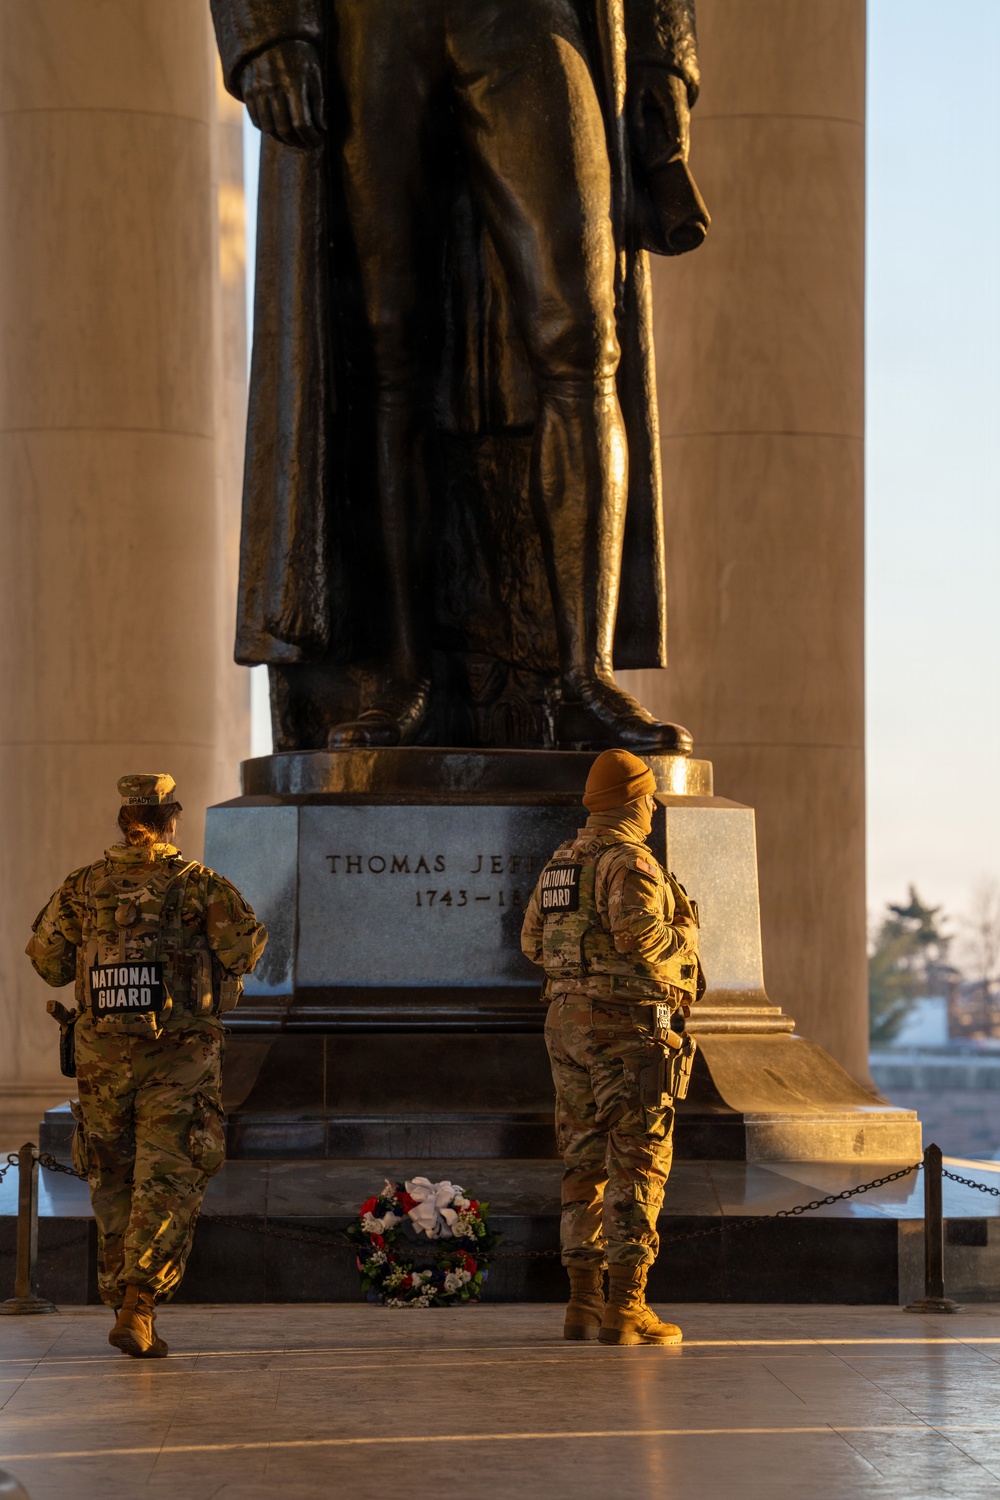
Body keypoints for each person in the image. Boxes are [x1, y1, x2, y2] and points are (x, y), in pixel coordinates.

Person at [210, 0, 708, 753]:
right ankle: (403, 674)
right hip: (370, 20)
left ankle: (584, 676)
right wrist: (264, 28)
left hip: (528, 16)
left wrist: (661, 52)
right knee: (384, 354)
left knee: (582, 335)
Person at [25, 774, 267, 1359]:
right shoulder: (202, 885)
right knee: (169, 1173)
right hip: (180, 1058)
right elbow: (244, 952)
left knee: (110, 1176)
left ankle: (125, 1305)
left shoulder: (82, 887)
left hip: (102, 1058)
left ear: (123, 821)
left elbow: (49, 965)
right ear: (172, 822)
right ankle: (140, 1302)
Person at [521, 747, 702, 1345]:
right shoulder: (631, 861)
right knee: (638, 1158)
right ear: (633, 802)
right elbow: (639, 934)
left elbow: (531, 943)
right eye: (649, 798)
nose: (654, 808)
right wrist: (687, 941)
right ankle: (626, 1307)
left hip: (566, 1023)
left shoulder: (560, 864)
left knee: (582, 1161)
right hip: (628, 1028)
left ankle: (582, 1303)